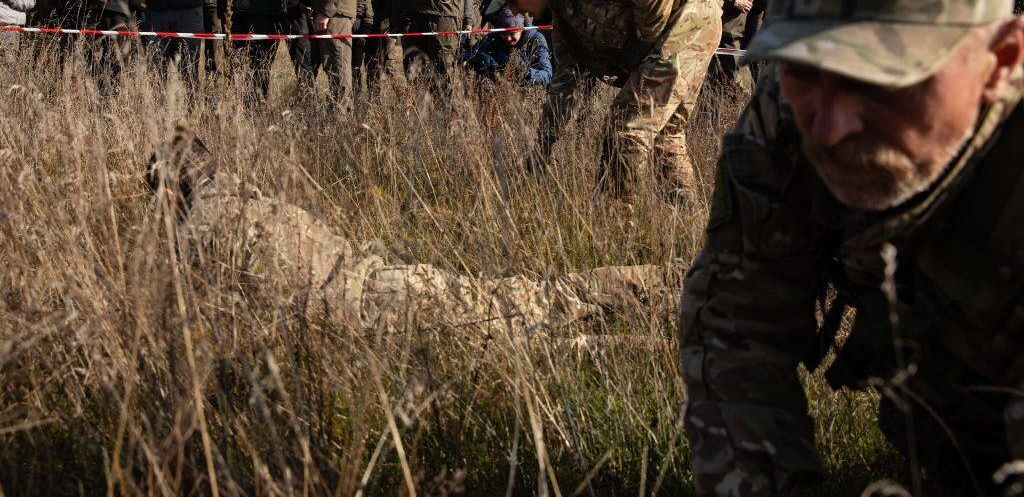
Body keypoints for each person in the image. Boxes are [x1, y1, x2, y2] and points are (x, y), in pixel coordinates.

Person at [679, 0, 1024, 497]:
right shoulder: (788, 112)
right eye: (807, 70)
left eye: (885, 80)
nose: (833, 127)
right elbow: (736, 326)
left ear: (999, 60)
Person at [147, 125, 669, 338]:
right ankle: (667, 291)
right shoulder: (251, 200)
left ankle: (673, 294)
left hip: (385, 308)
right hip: (390, 281)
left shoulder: (203, 235)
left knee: (536, 317)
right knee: (539, 308)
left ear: (172, 193)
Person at [506, 0, 722, 197]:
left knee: (627, 123)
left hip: (689, 17)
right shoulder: (563, 19)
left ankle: (615, 215)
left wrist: (640, 51)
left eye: (513, 1)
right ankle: (683, 214)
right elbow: (564, 86)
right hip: (685, 24)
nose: (516, 12)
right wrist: (542, 149)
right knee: (666, 133)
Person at [464, 7, 551, 86]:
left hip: (526, 94)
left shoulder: (536, 40)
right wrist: (483, 60)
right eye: (504, 34)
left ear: (521, 29)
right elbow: (467, 57)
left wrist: (527, 73)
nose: (508, 38)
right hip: (495, 93)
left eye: (512, 34)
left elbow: (547, 74)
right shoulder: (493, 37)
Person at [354, 0, 401, 86]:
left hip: (377, 32)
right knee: (355, 66)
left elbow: (388, 9)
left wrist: (372, 21)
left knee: (374, 66)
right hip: (358, 31)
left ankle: (374, 99)